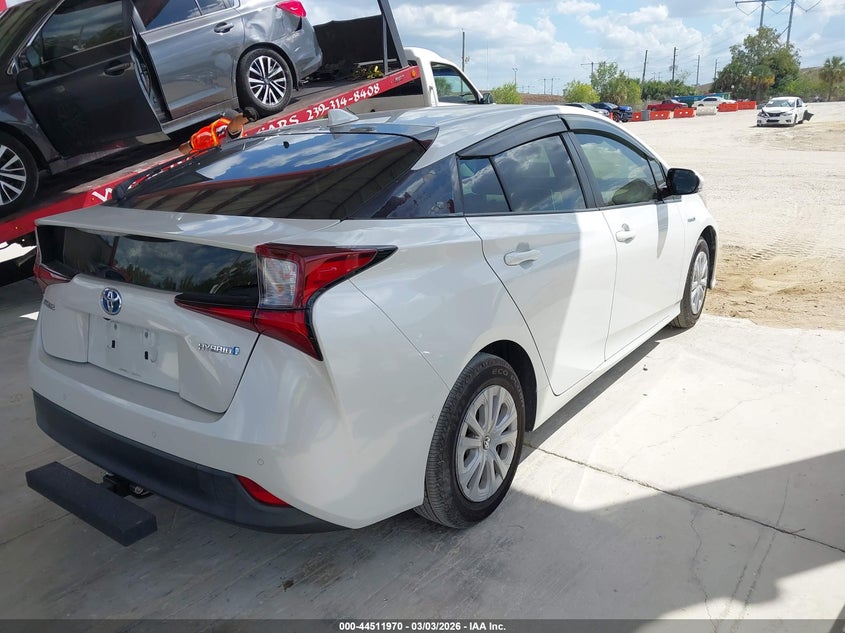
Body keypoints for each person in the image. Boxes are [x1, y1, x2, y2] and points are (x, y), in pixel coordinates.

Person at [178, 107, 259, 155]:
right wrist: (246, 116)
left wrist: (193, 143)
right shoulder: (225, 131)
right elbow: (235, 124)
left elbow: (182, 149)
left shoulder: (208, 132)